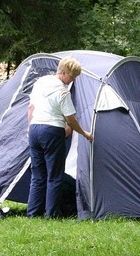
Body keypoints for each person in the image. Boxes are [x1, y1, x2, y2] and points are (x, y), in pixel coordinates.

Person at [27, 57, 93, 219]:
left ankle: (33, 213)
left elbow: (31, 107)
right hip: (52, 130)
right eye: (72, 77)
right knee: (55, 176)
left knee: (37, 175)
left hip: (34, 129)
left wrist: (30, 129)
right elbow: (71, 120)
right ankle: (52, 214)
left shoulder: (41, 82)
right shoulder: (62, 92)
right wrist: (85, 134)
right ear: (63, 73)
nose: (72, 80)